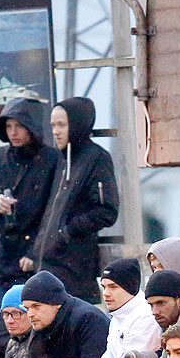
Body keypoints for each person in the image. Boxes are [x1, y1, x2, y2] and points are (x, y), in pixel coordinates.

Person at [30, 97, 119, 302]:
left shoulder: (96, 158)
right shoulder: (61, 159)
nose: (55, 131)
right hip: (48, 268)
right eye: (53, 125)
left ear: (77, 124)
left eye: (62, 125)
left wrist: (67, 230)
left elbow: (107, 210)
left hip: (75, 272)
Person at [0, 97, 59, 300]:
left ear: (32, 127)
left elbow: (53, 213)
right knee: (0, 319)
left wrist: (35, 252)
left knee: (30, 319)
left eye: (19, 126)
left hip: (33, 257)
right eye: (9, 126)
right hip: (0, 258)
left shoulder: (52, 160)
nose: (13, 132)